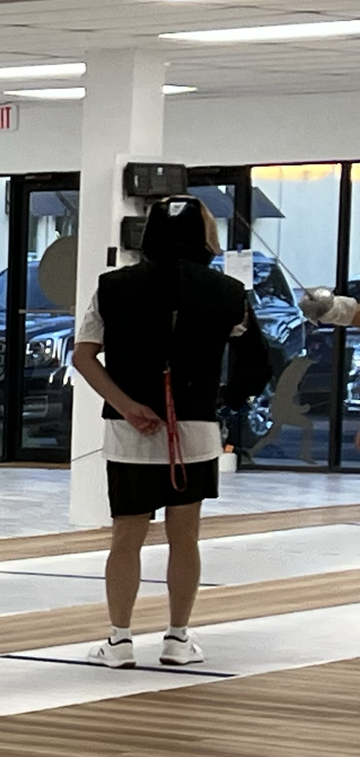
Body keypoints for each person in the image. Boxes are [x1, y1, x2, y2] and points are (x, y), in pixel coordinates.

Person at [69, 197, 247, 669]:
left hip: (129, 433)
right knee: (184, 538)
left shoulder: (112, 286)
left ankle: (119, 641)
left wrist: (127, 406)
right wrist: (223, 399)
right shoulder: (229, 291)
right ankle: (177, 638)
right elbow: (256, 360)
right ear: (204, 233)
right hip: (196, 432)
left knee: (125, 538)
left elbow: (83, 355)